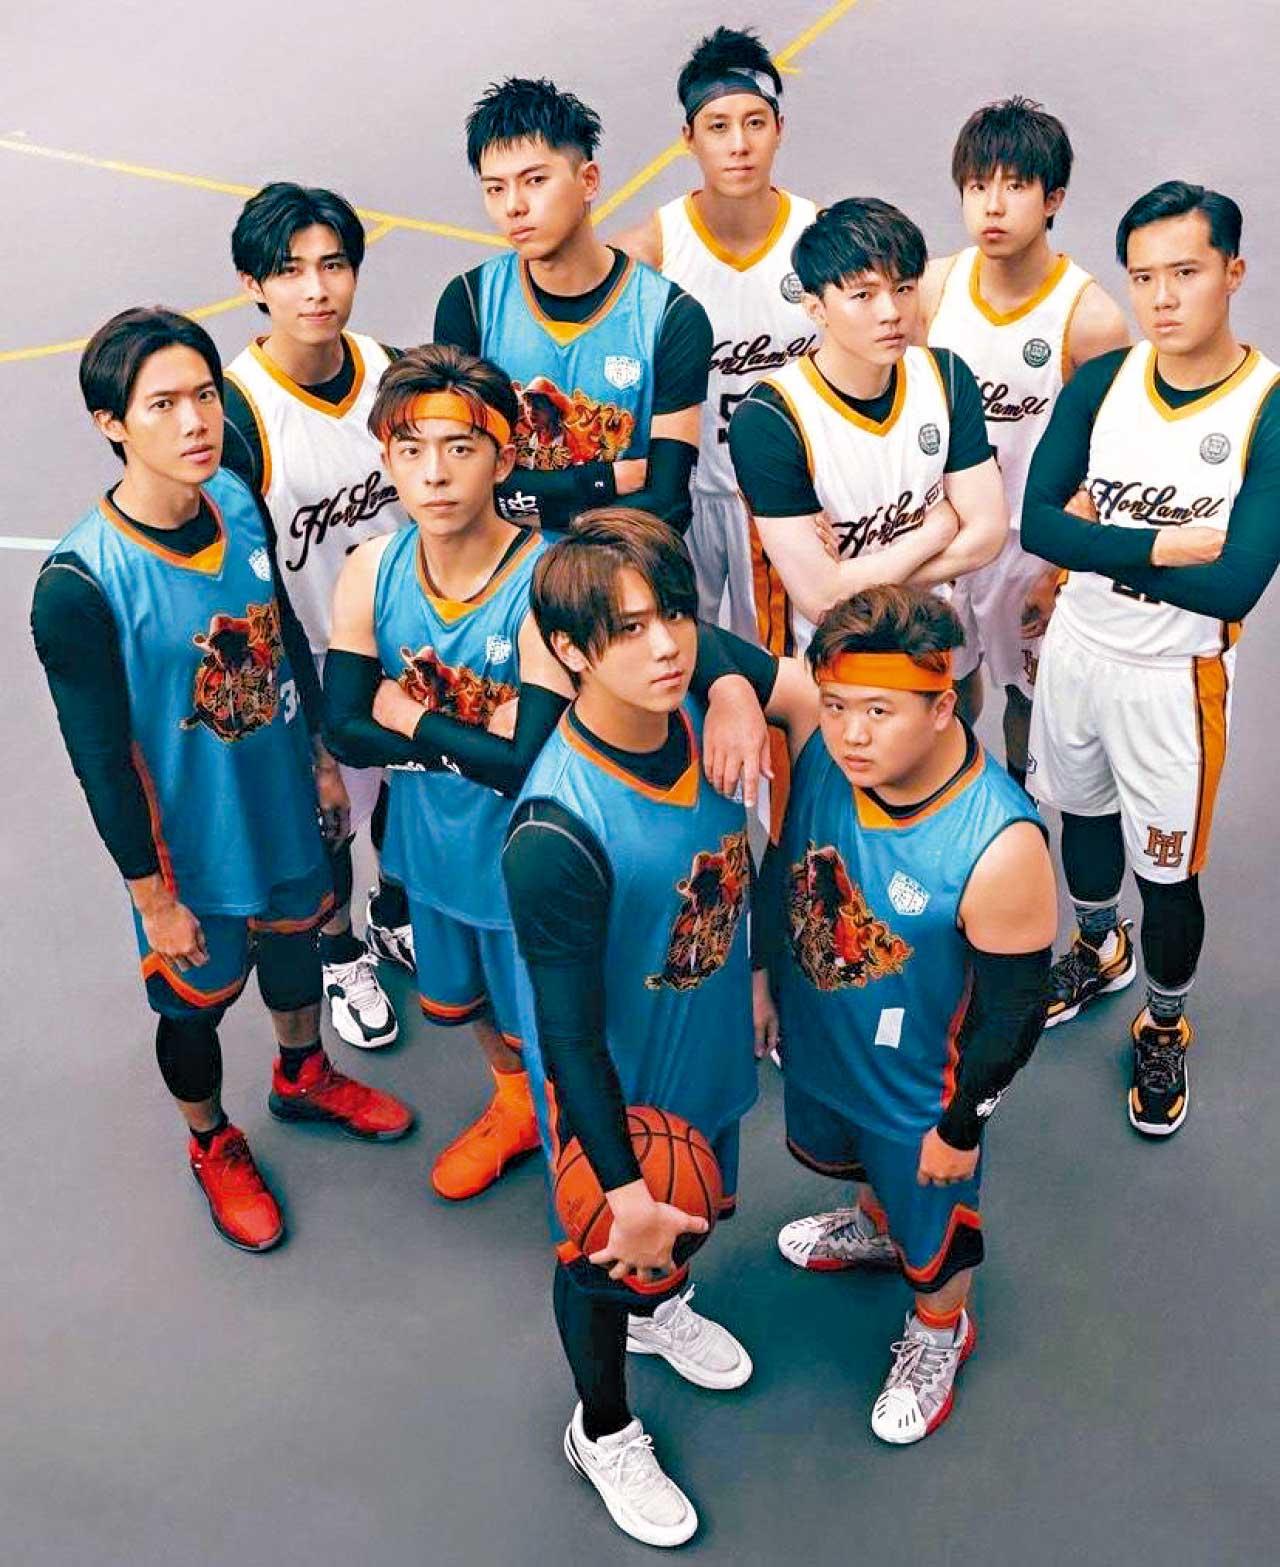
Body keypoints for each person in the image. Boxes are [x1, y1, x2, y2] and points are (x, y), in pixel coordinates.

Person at [324, 346, 772, 1200]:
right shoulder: (371, 569)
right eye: (412, 450)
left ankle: (588, 1168)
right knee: (470, 1007)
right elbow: (343, 727)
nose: (435, 474)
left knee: (563, 1030)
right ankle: (511, 1104)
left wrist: (411, 718)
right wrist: (472, 742)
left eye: (460, 448)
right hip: (432, 846)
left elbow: (522, 761)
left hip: (536, 866)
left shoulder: (549, 580)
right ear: (386, 458)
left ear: (504, 459)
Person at [30, 308, 414, 1254]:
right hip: (190, 844)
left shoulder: (236, 497)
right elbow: (99, 760)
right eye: (162, 404)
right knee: (192, 1005)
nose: (196, 420)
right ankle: (210, 1138)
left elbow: (283, 630)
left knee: (296, 945)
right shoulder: (80, 585)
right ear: (111, 423)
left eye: (204, 394)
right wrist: (151, 896)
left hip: (280, 795)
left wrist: (321, 757)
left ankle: (302, 1075)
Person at [501, 510, 783, 1547]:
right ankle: (603, 1426)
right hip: (614, 1092)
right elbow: (566, 1037)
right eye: (626, 630)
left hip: (702, 1040)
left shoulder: (698, 708)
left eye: (673, 614)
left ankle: (661, 1313)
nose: (665, 645)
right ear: (570, 651)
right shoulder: (555, 830)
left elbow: (774, 683)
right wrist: (621, 1192)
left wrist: (736, 686)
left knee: (693, 1212)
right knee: (600, 1255)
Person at [1022, 180, 1280, 1135]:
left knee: (1170, 874)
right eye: (1142, 277)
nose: (1162, 298)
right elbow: (1035, 523)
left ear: (1233, 272)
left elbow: (1235, 585)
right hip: (1078, 652)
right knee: (1081, 816)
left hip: (1175, 682)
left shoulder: (1267, 410)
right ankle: (1098, 947)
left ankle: (1164, 1022)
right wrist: (1163, 547)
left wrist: (1097, 542)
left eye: (1186, 272)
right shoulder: (1102, 384)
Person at [768, 585, 1055, 1444]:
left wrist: (961, 1126)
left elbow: (1013, 1012)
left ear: (941, 707)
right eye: (837, 705)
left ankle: (941, 1329)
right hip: (824, 1041)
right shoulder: (817, 735)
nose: (850, 733)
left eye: (879, 711)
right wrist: (743, 702)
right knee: (872, 1177)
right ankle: (876, 1224)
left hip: (919, 1091)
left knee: (938, 1225)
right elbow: (703, 654)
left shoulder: (999, 844)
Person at [224, 181, 413, 1052]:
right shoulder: (237, 413)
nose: (316, 289)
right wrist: (305, 723)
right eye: (291, 271)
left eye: (333, 265)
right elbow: (248, 580)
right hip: (312, 656)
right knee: (327, 810)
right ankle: (340, 953)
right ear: (253, 284)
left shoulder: (391, 371)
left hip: (405, 642)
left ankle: (394, 911)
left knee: (409, 790)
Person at [921, 97, 1129, 781]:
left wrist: (1063, 570)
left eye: (1015, 186)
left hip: (1030, 547)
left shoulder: (1089, 317)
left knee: (1029, 703)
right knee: (941, 692)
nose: (993, 206)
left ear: (1053, 198)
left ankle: (1021, 815)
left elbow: (1114, 460)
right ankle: (958, 812)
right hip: (949, 537)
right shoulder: (935, 288)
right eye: (978, 186)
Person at [433, 76, 713, 538]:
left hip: (623, 574)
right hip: (509, 577)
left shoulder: (672, 318)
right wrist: (604, 481)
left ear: (588, 181)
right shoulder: (469, 303)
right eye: (495, 189)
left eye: (535, 181)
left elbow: (668, 503)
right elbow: (460, 487)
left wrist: (531, 501)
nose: (514, 206)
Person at [728, 198, 1006, 662]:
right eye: (863, 295)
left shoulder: (946, 377)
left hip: (929, 641)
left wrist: (854, 579)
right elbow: (820, 600)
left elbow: (988, 535)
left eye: (903, 288)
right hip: (827, 661)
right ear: (815, 308)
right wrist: (934, 533)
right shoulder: (771, 418)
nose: (891, 312)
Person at [612, 26, 818, 636]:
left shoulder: (820, 240)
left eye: (755, 123)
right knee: (674, 643)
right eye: (718, 127)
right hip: (686, 490)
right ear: (689, 138)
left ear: (780, 127)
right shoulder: (651, 251)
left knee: (783, 660)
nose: (739, 145)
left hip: (785, 494)